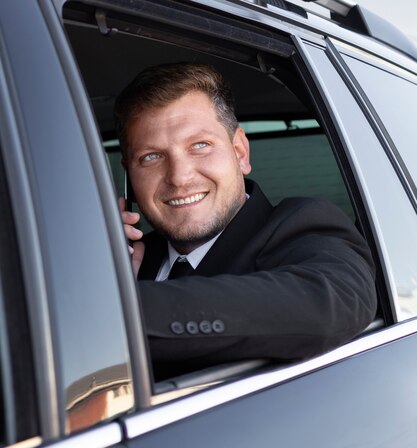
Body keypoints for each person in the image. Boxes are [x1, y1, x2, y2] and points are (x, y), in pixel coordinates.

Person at [114, 62, 377, 380]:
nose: (179, 178)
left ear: (239, 152)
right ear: (129, 174)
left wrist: (108, 305)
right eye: (151, 157)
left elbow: (331, 304)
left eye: (200, 146)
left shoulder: (302, 225)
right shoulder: (124, 258)